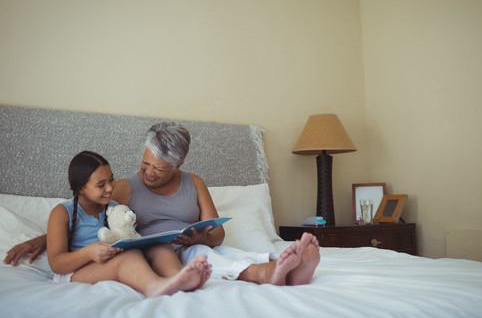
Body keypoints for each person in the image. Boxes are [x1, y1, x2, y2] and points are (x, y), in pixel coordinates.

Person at [4, 122, 320, 286]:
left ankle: (283, 272)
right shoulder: (124, 187)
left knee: (213, 252)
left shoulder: (194, 183)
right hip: (157, 251)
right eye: (145, 164)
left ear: (178, 164)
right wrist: (44, 237)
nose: (148, 173)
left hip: (192, 245)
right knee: (198, 255)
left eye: (158, 168)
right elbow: (84, 209)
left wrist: (203, 237)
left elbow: (217, 233)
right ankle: (273, 273)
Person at [47, 151, 211, 298]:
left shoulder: (113, 207)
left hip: (110, 261)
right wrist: (88, 253)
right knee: (128, 257)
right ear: (81, 188)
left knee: (161, 247)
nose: (110, 187)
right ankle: (153, 286)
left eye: (111, 179)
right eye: (101, 184)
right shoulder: (62, 212)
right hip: (77, 272)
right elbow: (56, 263)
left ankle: (177, 278)